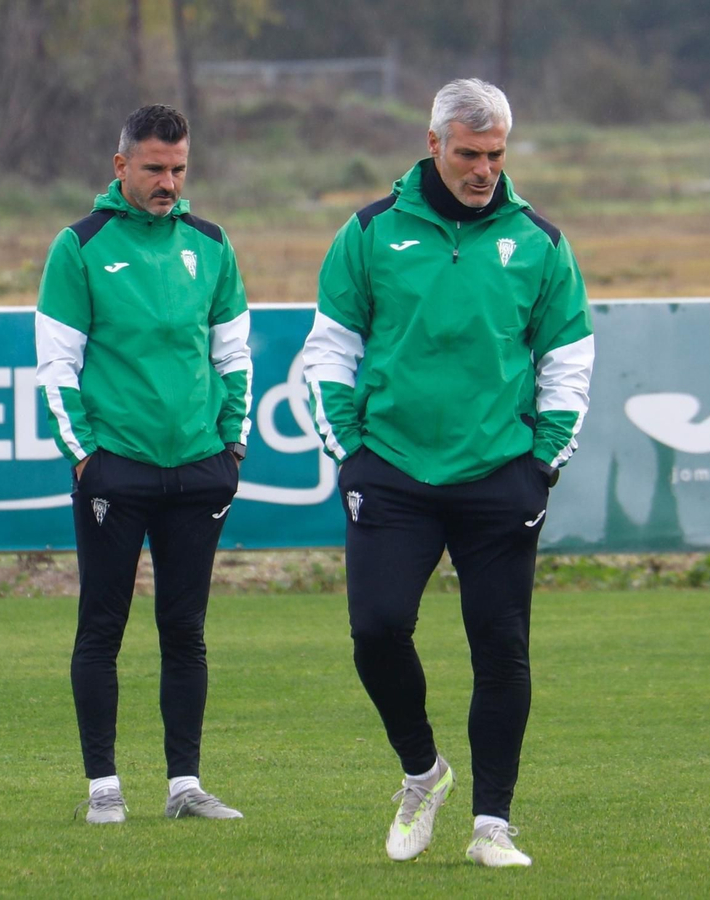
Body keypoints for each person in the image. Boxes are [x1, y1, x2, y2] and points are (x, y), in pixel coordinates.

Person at [301, 79, 594, 867]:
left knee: (501, 650)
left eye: (496, 154)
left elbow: (567, 357)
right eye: (469, 154)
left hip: (501, 473)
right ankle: (422, 771)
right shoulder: (368, 232)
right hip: (392, 471)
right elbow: (330, 351)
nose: (484, 170)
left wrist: (544, 464)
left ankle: (493, 825)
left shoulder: (538, 240)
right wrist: (351, 453)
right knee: (376, 630)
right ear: (433, 145)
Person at [36, 104, 253, 825]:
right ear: (120, 164)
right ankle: (104, 787)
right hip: (116, 469)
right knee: (103, 625)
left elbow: (233, 356)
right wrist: (84, 456)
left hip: (199, 467)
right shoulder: (80, 246)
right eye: (155, 168)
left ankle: (184, 785)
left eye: (179, 169)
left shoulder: (212, 245)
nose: (169, 182)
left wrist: (233, 445)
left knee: (184, 628)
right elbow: (57, 364)